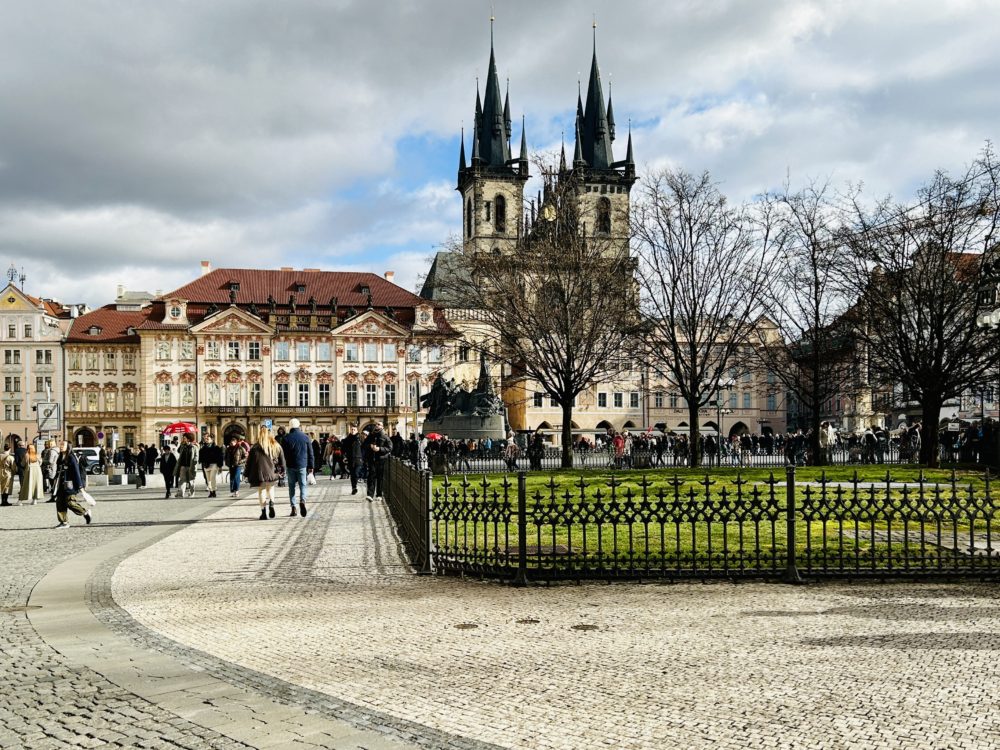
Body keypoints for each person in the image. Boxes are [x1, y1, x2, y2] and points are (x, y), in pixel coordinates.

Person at [245, 425, 285, 520]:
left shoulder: (255, 447)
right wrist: (283, 471)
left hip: (259, 474)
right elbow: (282, 460)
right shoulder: (275, 445)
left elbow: (249, 462)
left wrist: (246, 474)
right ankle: (271, 503)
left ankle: (263, 513)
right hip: (272, 472)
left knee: (261, 491)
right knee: (270, 489)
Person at [281, 417, 313, 516]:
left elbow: (283, 454)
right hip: (302, 465)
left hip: (290, 465)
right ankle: (303, 501)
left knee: (291, 487)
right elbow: (310, 453)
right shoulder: (305, 437)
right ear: (299, 425)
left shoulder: (285, 438)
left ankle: (293, 507)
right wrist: (311, 466)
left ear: (289, 426)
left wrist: (283, 466)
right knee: (303, 484)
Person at [55, 441, 91, 527]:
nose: (61, 446)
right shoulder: (60, 457)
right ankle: (64, 522)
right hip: (61, 484)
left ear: (68, 447)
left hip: (70, 485)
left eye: (63, 445)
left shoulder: (71, 457)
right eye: (60, 445)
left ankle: (85, 512)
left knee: (70, 503)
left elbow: (76, 472)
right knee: (59, 502)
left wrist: (80, 486)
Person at [362, 421, 392, 501]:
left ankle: (379, 494)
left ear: (382, 427)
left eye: (379, 424)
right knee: (371, 476)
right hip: (372, 459)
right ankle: (370, 495)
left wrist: (379, 449)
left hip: (381, 460)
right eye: (376, 424)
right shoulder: (371, 435)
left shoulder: (385, 437)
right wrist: (370, 446)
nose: (377, 425)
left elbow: (389, 448)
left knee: (380, 477)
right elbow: (364, 445)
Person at [173, 433, 199, 498]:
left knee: (191, 480)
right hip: (183, 466)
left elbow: (196, 456)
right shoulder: (183, 446)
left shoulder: (194, 447)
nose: (183, 439)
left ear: (188, 439)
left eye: (184, 438)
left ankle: (191, 493)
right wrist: (181, 444)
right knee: (182, 480)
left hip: (191, 466)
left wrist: (195, 463)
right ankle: (180, 493)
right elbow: (178, 451)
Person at [341, 424, 363, 494]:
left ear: (357, 430)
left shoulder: (360, 438)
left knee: (356, 473)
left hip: (358, 459)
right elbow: (343, 449)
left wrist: (364, 457)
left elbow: (364, 448)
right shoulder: (347, 439)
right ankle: (354, 487)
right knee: (352, 474)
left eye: (354, 429)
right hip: (350, 459)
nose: (353, 431)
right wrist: (344, 457)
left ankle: (355, 485)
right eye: (352, 429)